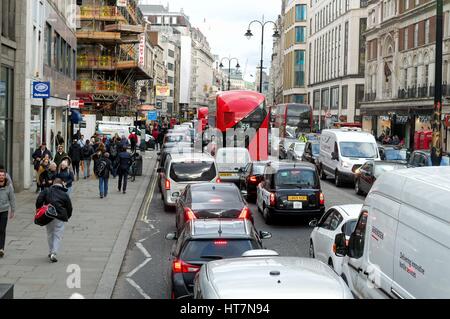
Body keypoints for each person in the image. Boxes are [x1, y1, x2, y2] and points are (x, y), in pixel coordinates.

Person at [35, 177, 72, 263]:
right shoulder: (65, 194)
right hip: (60, 216)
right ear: (61, 184)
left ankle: (50, 251)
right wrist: (67, 216)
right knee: (57, 235)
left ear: (53, 184)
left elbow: (39, 200)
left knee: (50, 233)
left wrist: (39, 209)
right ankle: (54, 253)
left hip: (48, 215)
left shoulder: (46, 191)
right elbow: (69, 207)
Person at [0, 169, 15, 258]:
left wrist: (12, 210)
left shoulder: (8, 186)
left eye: (2, 175)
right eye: (0, 175)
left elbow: (12, 198)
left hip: (4, 210)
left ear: (5, 176)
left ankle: (1, 248)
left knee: (2, 229)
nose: (1, 176)